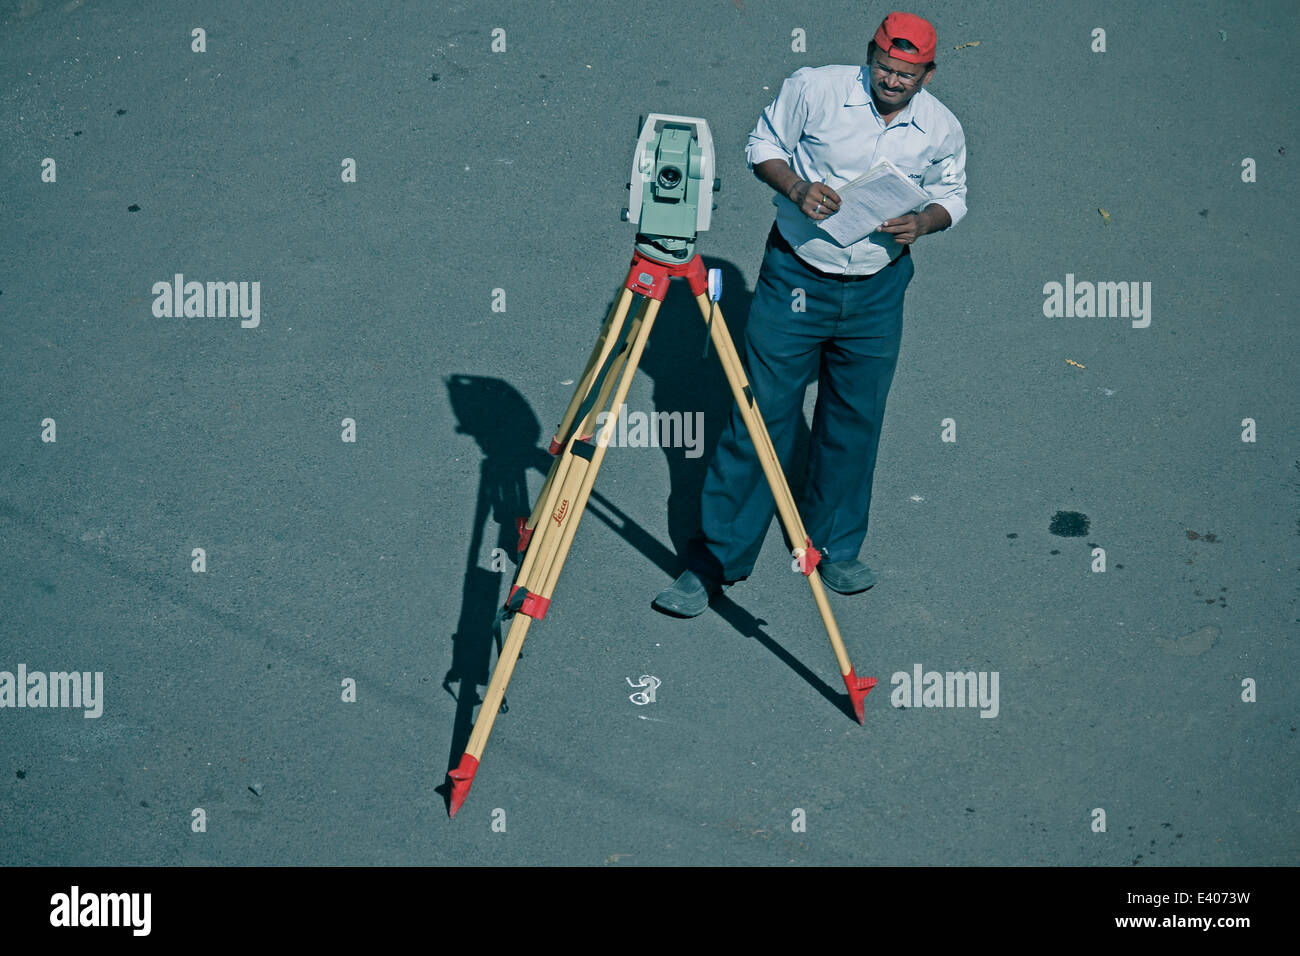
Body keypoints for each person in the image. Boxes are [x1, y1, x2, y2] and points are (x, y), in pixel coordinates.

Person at [653, 11, 968, 617]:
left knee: (854, 421)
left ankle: (833, 547)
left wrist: (923, 222)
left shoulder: (942, 129)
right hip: (795, 276)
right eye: (884, 67)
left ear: (928, 73)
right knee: (758, 418)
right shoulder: (814, 89)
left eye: (907, 73)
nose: (892, 81)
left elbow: (952, 194)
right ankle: (715, 560)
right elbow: (761, 145)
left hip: (876, 289)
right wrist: (796, 189)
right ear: (870, 55)